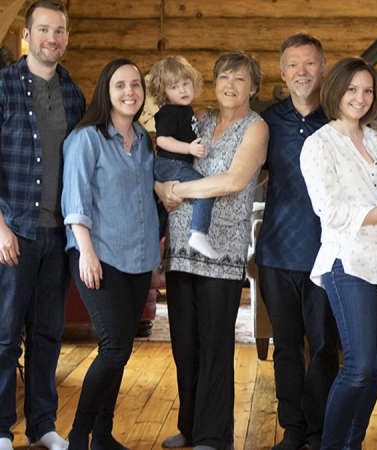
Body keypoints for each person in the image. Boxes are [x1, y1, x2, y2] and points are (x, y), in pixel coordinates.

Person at [300, 57, 377, 450]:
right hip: (347, 262)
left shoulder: (376, 138)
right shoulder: (318, 144)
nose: (360, 97)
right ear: (336, 90)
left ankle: (353, 444)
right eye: (352, 89)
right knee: (359, 365)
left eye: (368, 90)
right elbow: (329, 211)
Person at [155, 51, 268, 450]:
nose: (230, 85)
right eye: (223, 76)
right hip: (181, 247)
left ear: (252, 87)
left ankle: (213, 435)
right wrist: (161, 188)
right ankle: (189, 427)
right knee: (185, 344)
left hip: (222, 252)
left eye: (240, 79)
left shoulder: (256, 128)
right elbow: (164, 161)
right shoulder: (197, 119)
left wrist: (177, 191)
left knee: (216, 345)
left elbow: (234, 180)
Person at [61, 59, 160, 450]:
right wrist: (85, 252)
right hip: (97, 256)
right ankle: (78, 436)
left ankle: (103, 434)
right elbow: (75, 199)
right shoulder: (86, 138)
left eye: (135, 85)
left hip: (138, 258)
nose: (129, 92)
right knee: (115, 347)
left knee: (118, 351)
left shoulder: (145, 140)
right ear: (106, 90)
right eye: (120, 85)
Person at [0, 1, 85, 449]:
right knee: (3, 337)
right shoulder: (3, 87)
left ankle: (43, 426)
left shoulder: (73, 92)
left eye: (59, 31)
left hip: (59, 235)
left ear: (66, 38)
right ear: (28, 35)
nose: (52, 38)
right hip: (13, 232)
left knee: (48, 334)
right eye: (44, 29)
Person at [254, 33, 339, 450]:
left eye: (310, 64)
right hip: (276, 253)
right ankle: (292, 429)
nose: (302, 72)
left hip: (328, 255)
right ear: (282, 72)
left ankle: (321, 430)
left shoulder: (341, 119)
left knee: (324, 348)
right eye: (293, 64)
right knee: (286, 347)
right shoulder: (266, 123)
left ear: (323, 68)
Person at [148, 55, 217, 258]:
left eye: (186, 84)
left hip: (173, 164)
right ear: (164, 92)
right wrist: (189, 149)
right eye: (175, 87)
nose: (183, 90)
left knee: (162, 211)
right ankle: (198, 233)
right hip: (169, 163)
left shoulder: (185, 110)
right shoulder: (170, 112)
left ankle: (154, 250)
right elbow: (162, 140)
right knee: (204, 188)